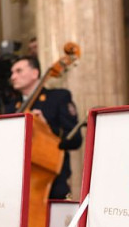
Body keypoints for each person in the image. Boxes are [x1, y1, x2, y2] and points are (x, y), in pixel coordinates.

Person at [6, 55, 82, 199]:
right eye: (12, 73)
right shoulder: (11, 106)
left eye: (19, 71)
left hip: (52, 183)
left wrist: (46, 128)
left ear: (35, 73)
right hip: (17, 182)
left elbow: (75, 140)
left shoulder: (58, 98)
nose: (13, 77)